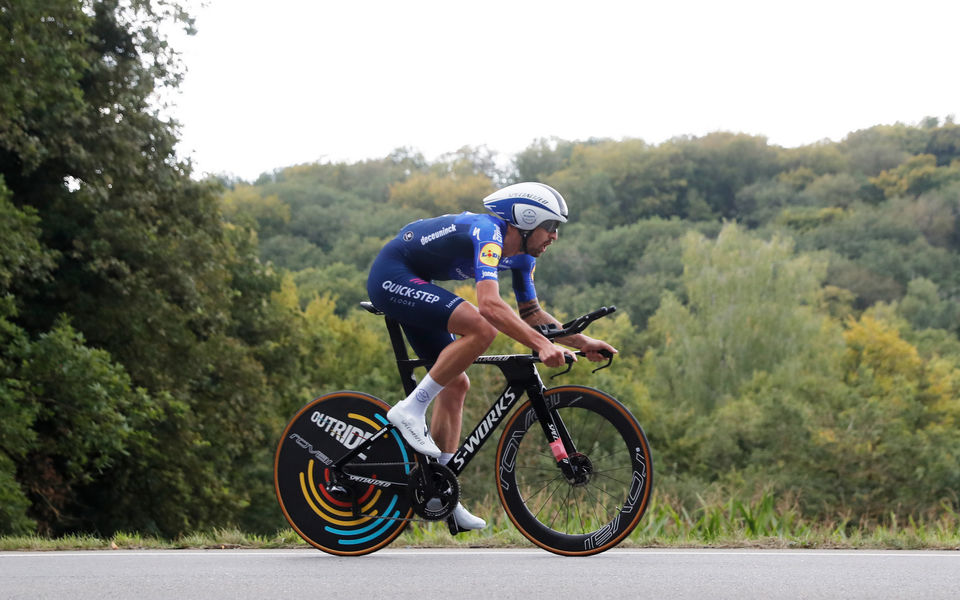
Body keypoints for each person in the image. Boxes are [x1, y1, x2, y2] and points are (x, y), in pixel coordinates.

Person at [366, 182, 618, 530]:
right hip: (392, 275)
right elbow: (489, 305)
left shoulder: (523, 257)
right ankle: (410, 409)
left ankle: (441, 493)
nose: (554, 237)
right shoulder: (489, 232)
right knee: (482, 328)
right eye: (552, 227)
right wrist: (543, 346)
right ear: (527, 221)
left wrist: (581, 342)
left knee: (455, 385)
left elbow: (531, 314)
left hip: (417, 281)